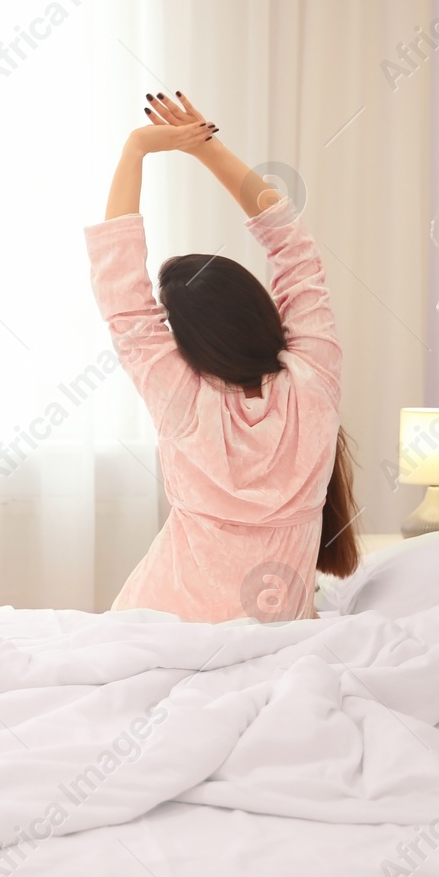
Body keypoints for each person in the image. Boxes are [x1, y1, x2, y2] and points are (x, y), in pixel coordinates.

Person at [86, 90, 361, 622]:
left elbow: (121, 295)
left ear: (188, 343)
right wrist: (205, 149)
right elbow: (294, 249)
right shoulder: (313, 382)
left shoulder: (183, 399)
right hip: (260, 645)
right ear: (261, 308)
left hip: (153, 628)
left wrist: (135, 150)